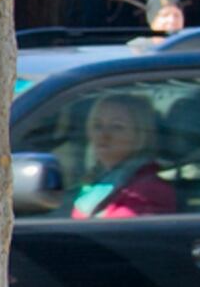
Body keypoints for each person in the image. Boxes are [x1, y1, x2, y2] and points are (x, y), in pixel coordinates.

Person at [67, 91, 180, 220]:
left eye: (117, 127)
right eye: (97, 126)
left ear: (140, 135)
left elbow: (119, 235)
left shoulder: (149, 189)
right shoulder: (99, 180)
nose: (103, 135)